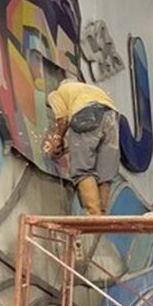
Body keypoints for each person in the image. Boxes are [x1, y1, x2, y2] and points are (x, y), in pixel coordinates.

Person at [43, 80, 119, 215]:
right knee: (105, 173)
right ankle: (102, 213)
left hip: (86, 115)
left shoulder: (57, 93)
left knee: (82, 169)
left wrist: (57, 140)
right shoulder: (87, 90)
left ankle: (94, 213)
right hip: (111, 116)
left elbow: (62, 119)